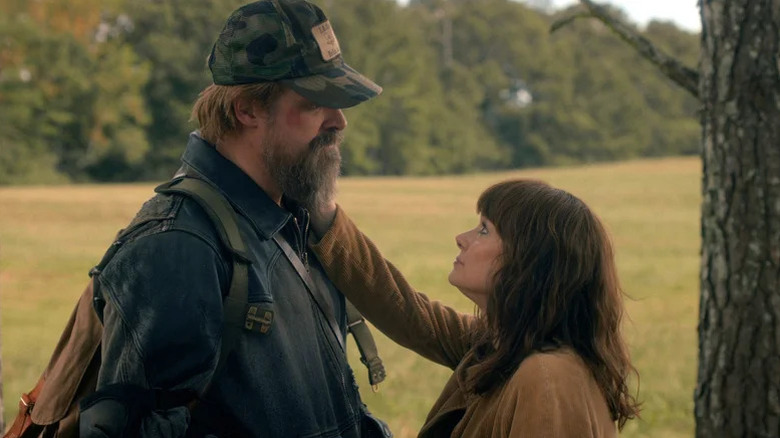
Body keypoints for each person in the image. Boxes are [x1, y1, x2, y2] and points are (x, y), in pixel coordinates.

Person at [79, 1, 390, 437]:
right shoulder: (176, 247)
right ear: (247, 110)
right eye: (318, 102)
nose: (339, 121)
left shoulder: (292, 217)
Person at [308, 179, 641, 437]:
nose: (461, 237)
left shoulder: (547, 378)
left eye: (484, 229)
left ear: (526, 261)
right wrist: (320, 210)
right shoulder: (504, 343)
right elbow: (407, 312)